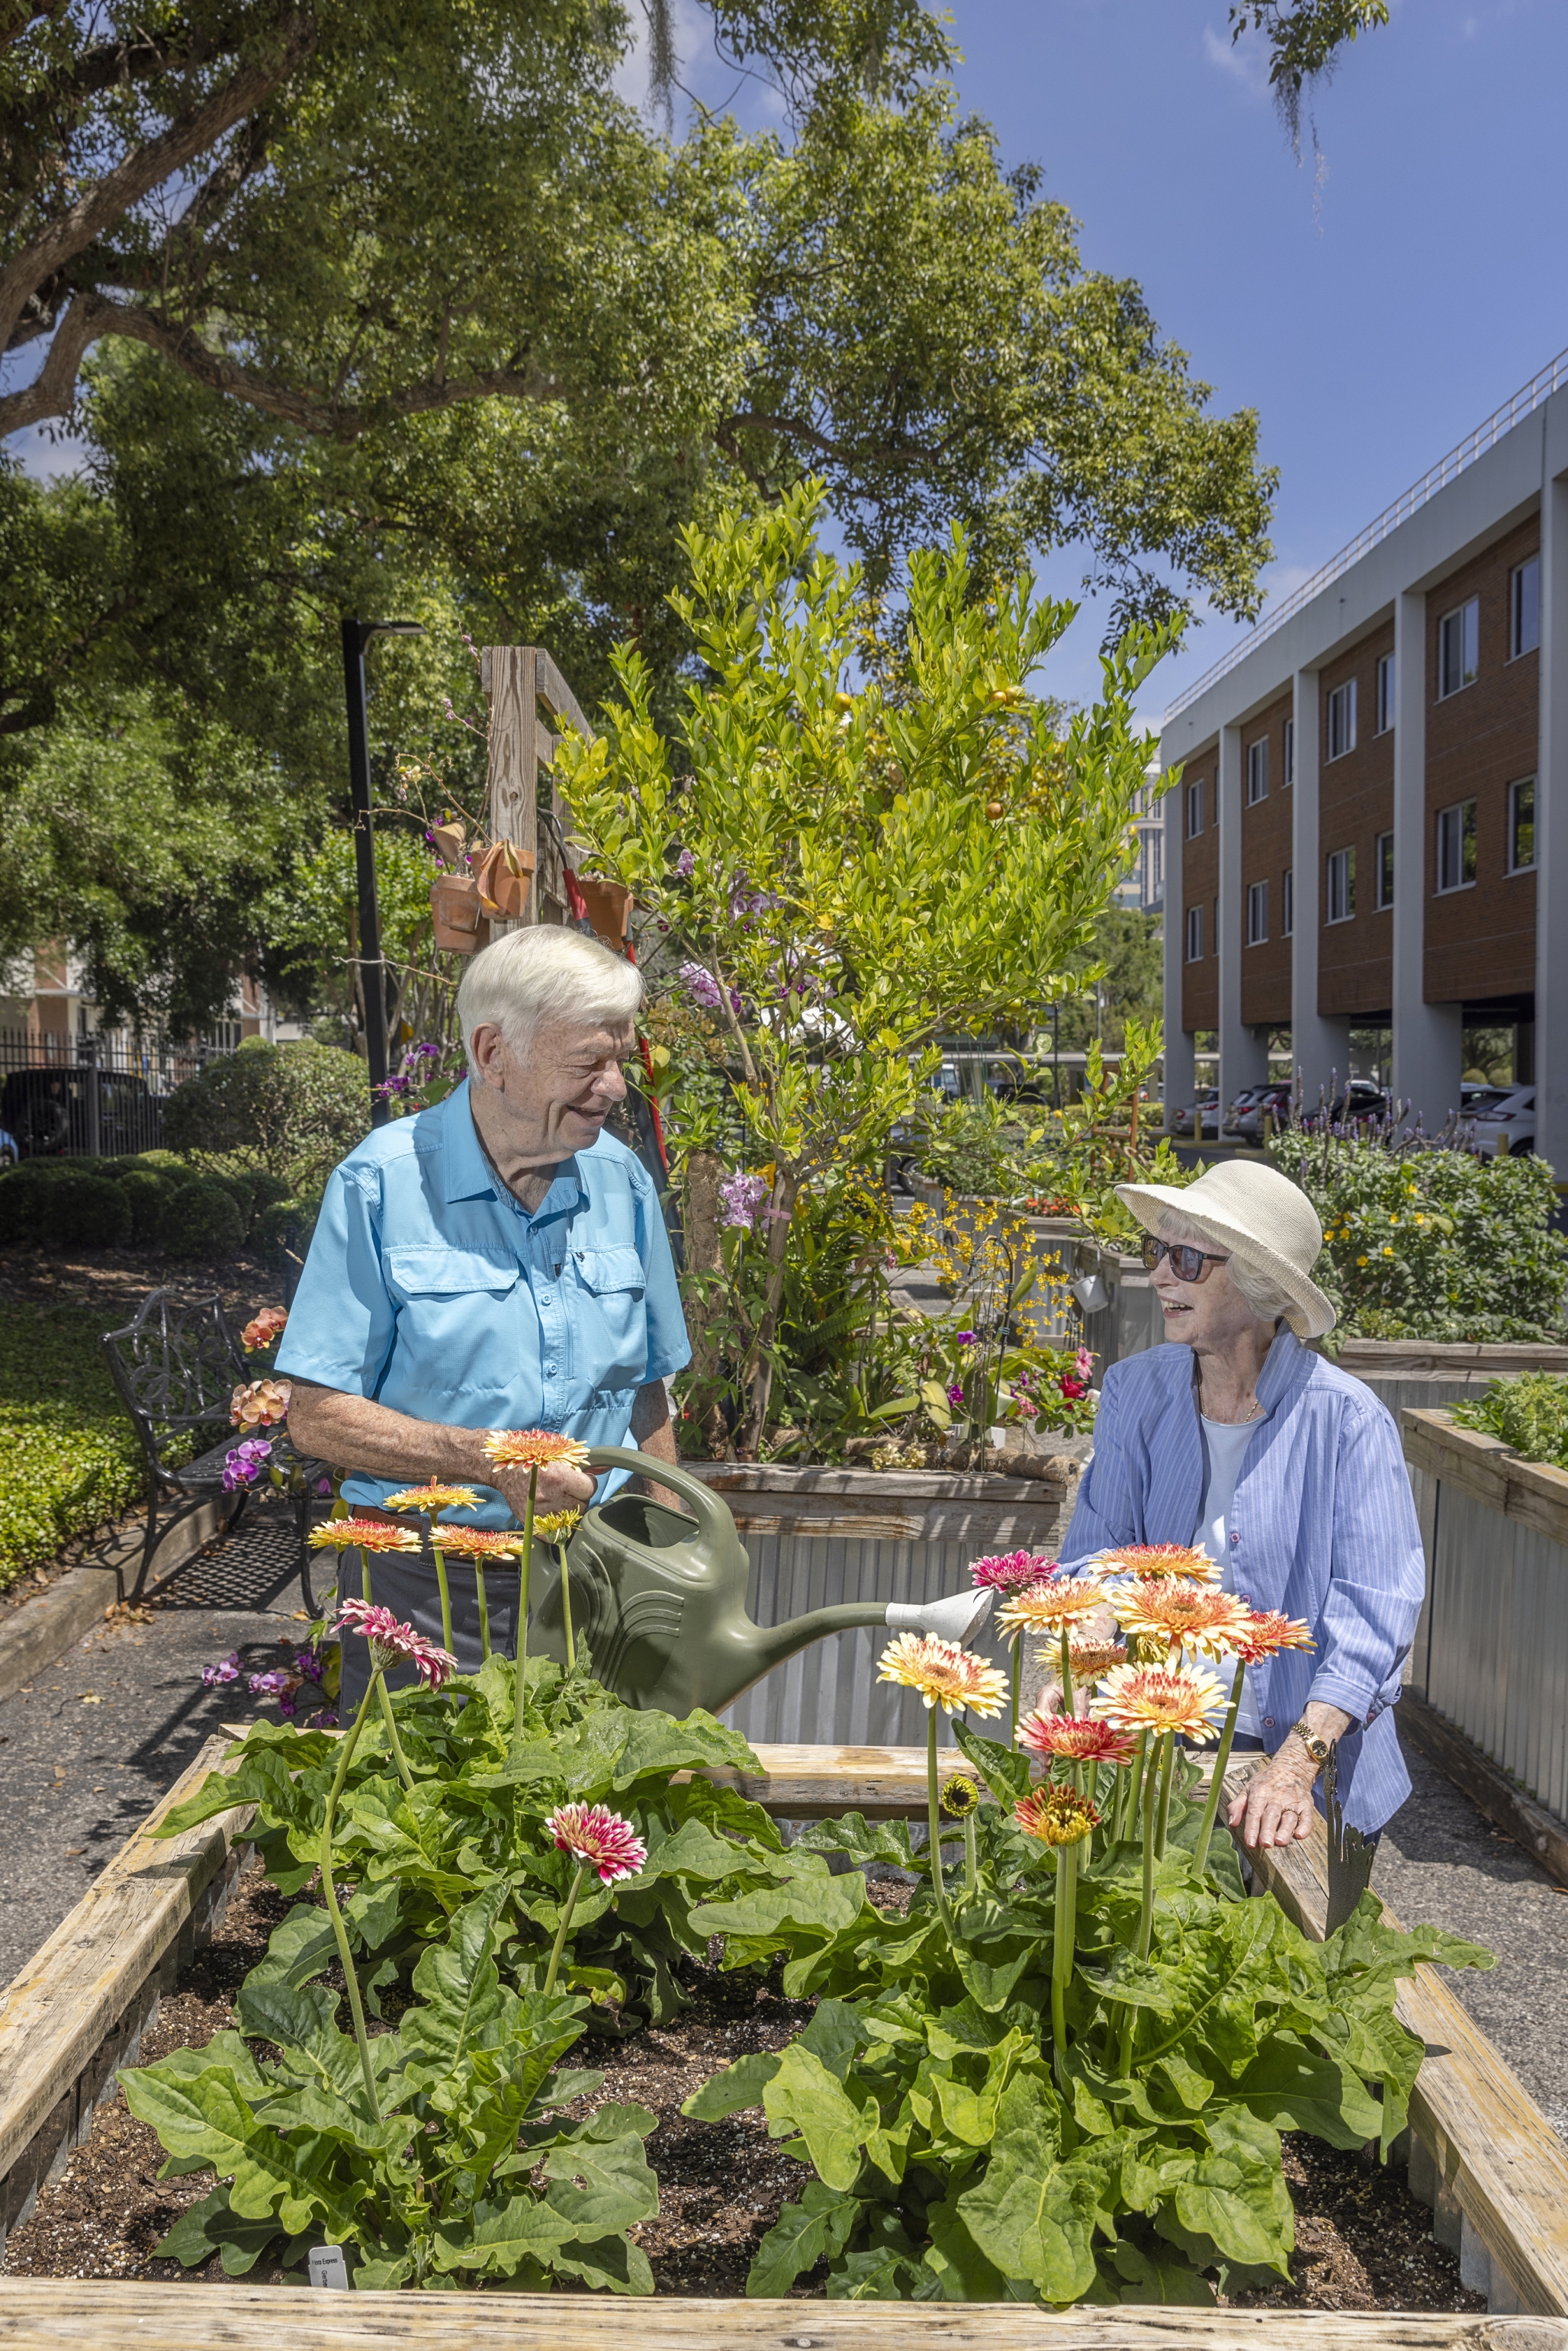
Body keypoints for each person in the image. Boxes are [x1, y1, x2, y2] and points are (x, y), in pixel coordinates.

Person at [279, 925, 690, 1703]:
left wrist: (668, 1548)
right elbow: (317, 1415)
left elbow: (646, 1386)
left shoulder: (621, 1180)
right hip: (424, 1584)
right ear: (493, 1054)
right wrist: (481, 1456)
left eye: (618, 1060)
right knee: (421, 1814)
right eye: (587, 1063)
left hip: (593, 1572)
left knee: (588, 1810)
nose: (613, 1087)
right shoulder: (381, 1185)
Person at [1052, 1158, 1425, 1851]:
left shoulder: (1348, 1422)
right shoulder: (1137, 1391)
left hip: (1301, 1755)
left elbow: (1373, 1621)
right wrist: (1083, 1658)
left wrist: (1292, 1768)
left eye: (1188, 1257)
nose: (1160, 1274)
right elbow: (1096, 1555)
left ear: (1259, 1282)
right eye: (1156, 1251)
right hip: (1153, 1736)